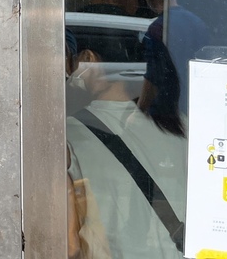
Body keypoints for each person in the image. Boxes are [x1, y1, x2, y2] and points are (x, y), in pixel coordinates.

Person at [66, 28, 187, 259]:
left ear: (89, 59)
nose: (69, 74)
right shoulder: (180, 126)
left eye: (72, 63)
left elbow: (69, 242)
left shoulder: (68, 133)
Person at [139, 0, 208, 115]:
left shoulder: (158, 27)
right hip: (193, 101)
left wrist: (139, 109)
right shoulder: (198, 22)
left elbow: (153, 75)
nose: (148, 5)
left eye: (146, 0)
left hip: (167, 105)